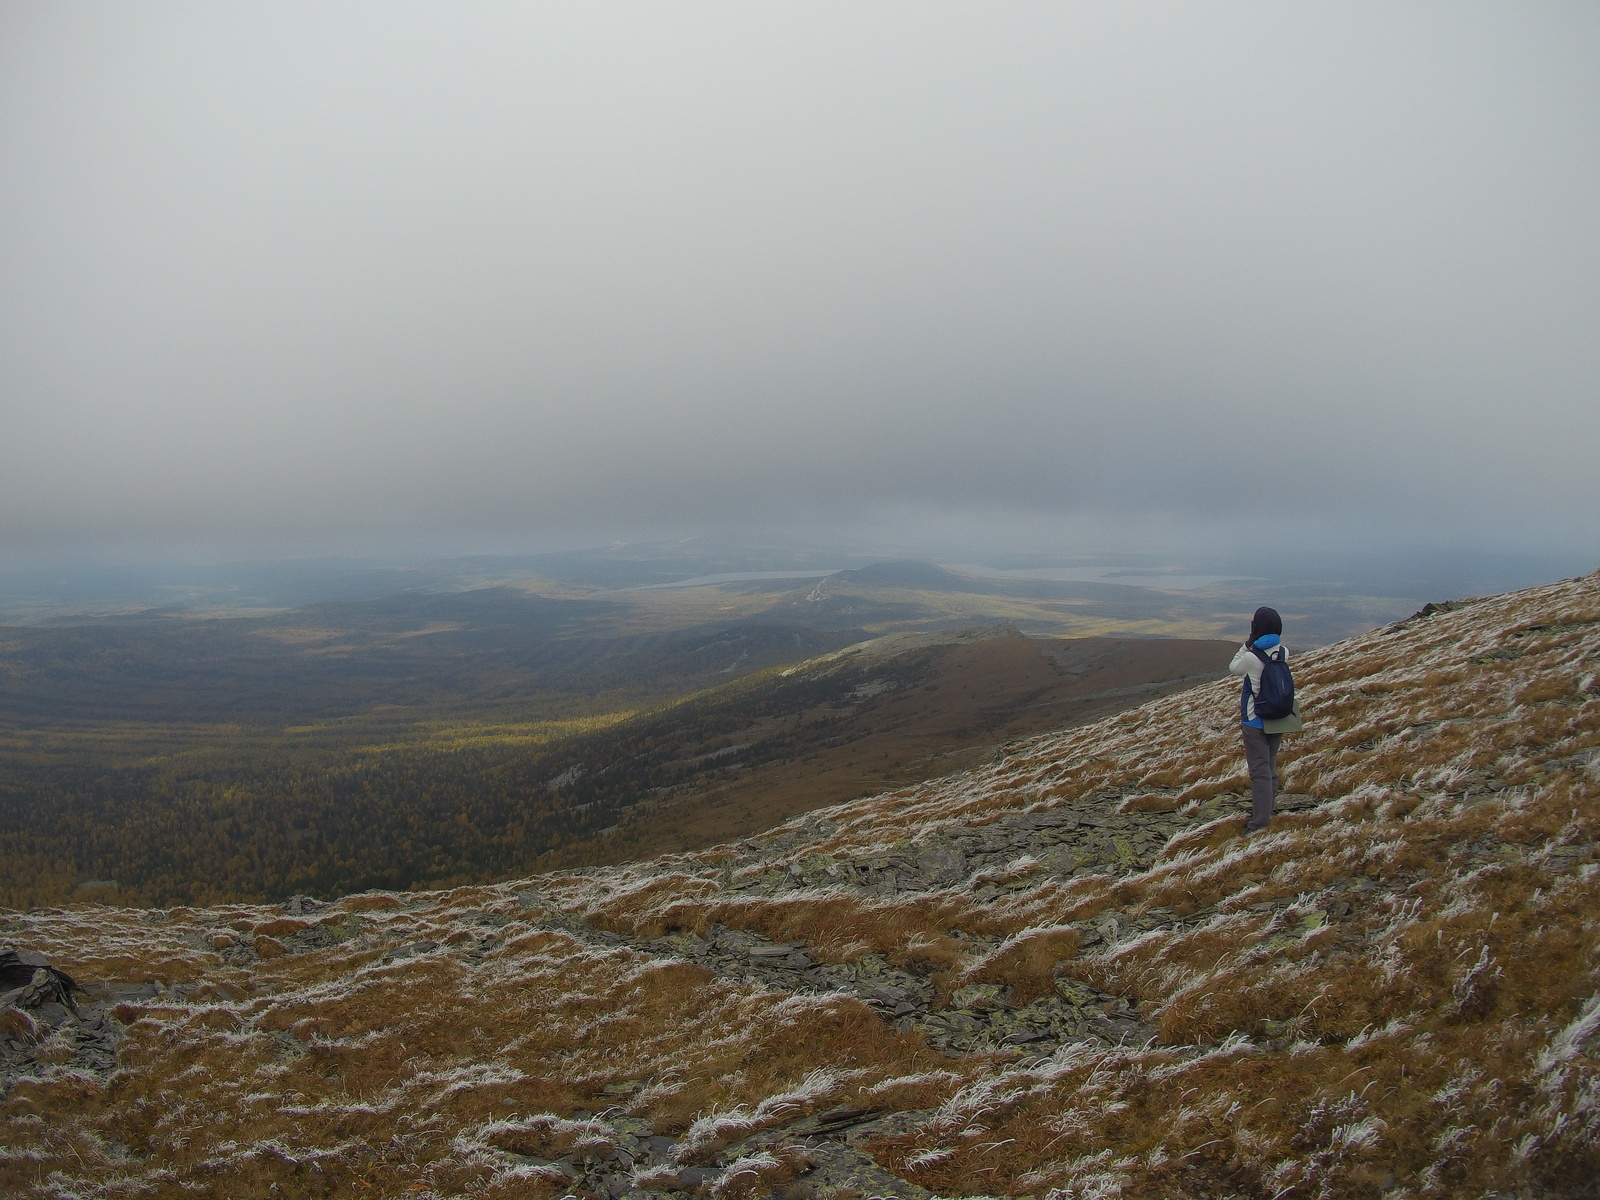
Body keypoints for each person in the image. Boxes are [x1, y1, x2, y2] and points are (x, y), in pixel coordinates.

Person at [1229, 606, 1287, 835]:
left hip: (1255, 720)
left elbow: (1234, 667)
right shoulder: (1284, 652)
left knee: (1259, 771)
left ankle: (1259, 823)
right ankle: (1269, 809)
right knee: (1270, 765)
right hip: (1277, 717)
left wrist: (1247, 643)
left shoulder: (1252, 657)